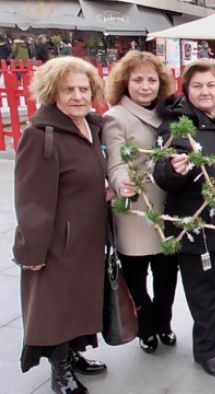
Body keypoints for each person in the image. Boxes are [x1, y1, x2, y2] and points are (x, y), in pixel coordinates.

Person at [13, 56, 110, 394]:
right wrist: (31, 251)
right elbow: (31, 200)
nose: (78, 96)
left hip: (87, 238)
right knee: (56, 307)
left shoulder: (90, 127)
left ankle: (73, 352)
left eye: (84, 89)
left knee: (79, 302)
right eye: (68, 89)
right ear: (52, 92)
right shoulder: (41, 135)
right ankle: (60, 370)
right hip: (56, 242)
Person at [153, 59, 215, 377]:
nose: (205, 91)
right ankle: (205, 349)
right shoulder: (177, 125)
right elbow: (162, 171)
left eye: (211, 84)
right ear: (186, 90)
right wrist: (173, 170)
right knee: (205, 291)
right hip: (201, 226)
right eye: (197, 86)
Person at [103, 51, 179, 354]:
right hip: (134, 209)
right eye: (138, 80)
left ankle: (165, 323)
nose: (145, 86)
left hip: (167, 208)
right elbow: (115, 160)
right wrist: (121, 182)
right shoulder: (115, 117)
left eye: (151, 80)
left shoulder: (169, 114)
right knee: (136, 277)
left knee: (167, 277)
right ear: (125, 82)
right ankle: (145, 326)